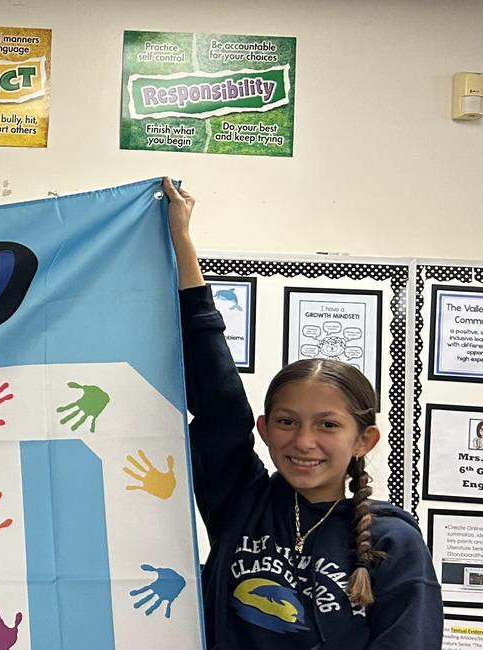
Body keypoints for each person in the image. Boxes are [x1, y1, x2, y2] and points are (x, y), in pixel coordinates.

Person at [170, 178, 440, 648]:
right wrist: (182, 244)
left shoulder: (394, 544)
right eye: (287, 421)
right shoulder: (241, 500)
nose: (304, 441)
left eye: (328, 425)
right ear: (265, 430)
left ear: (365, 440)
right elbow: (217, 400)